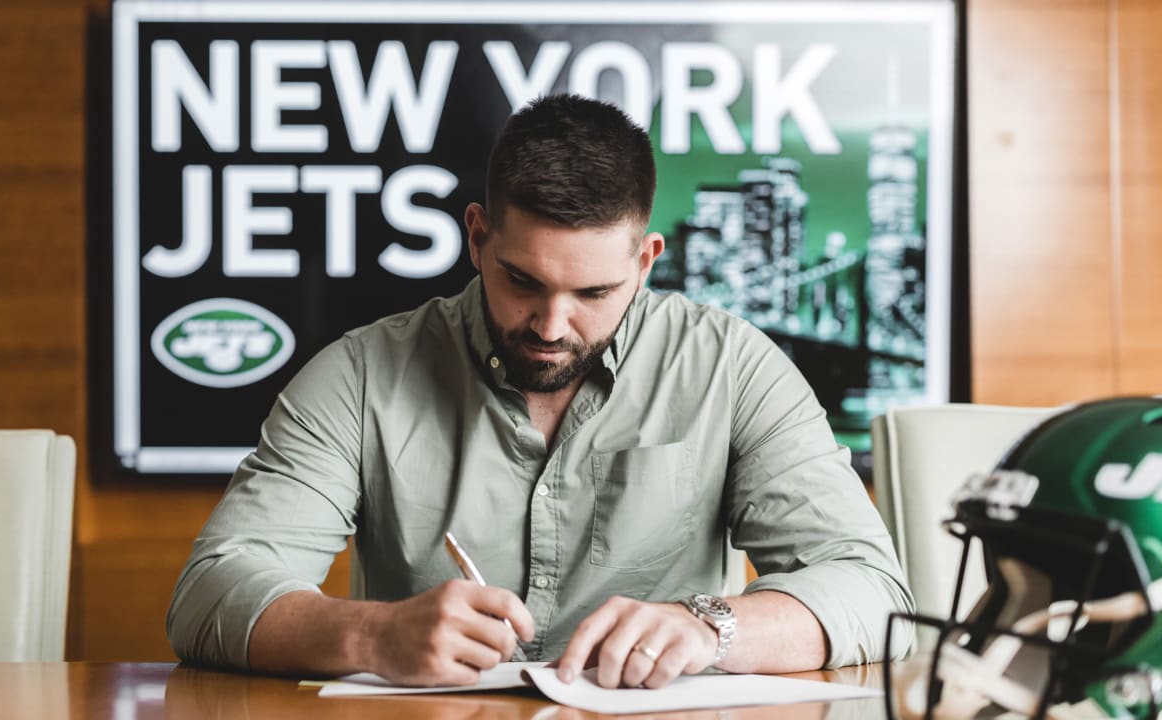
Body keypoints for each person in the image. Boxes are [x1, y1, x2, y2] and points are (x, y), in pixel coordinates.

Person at [168, 93, 913, 689]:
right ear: (477, 236)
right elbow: (209, 595)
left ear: (647, 259)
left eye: (594, 290)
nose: (552, 326)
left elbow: (876, 590)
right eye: (522, 280)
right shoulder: (362, 375)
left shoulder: (733, 367)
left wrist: (710, 626)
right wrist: (372, 634)